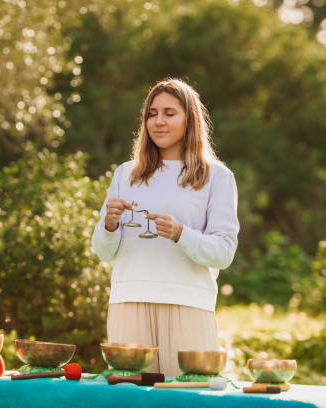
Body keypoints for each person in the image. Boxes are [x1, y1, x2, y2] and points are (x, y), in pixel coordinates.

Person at [91, 78, 240, 377]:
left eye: (169, 113)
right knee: (129, 398)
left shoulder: (217, 177)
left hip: (189, 302)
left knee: (189, 396)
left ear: (190, 120)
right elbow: (103, 251)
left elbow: (224, 253)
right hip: (128, 300)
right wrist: (109, 224)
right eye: (152, 113)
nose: (158, 121)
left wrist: (181, 234)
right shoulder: (126, 174)